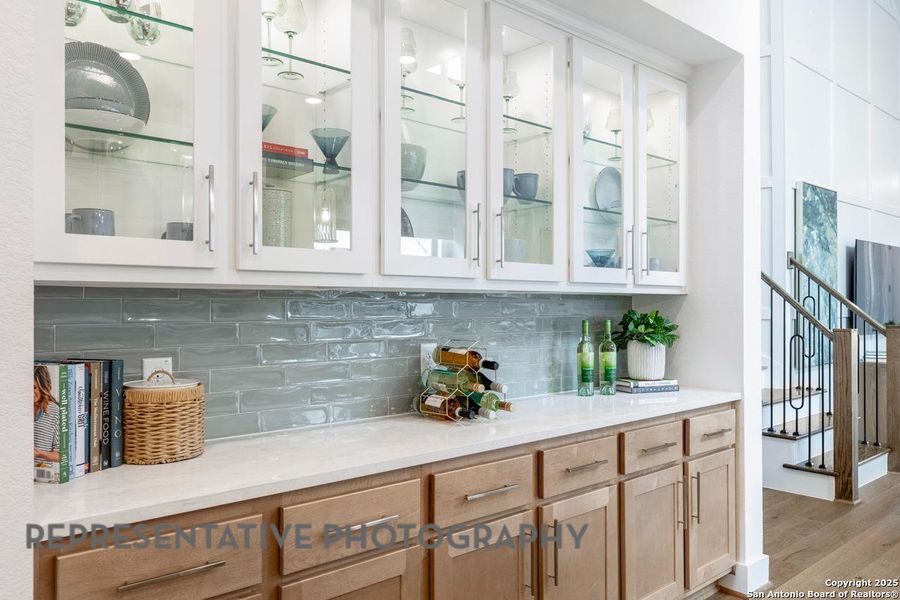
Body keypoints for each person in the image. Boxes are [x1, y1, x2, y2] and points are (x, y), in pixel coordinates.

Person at [33, 365, 59, 462]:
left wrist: (40, 454)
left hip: (41, 470)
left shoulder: (55, 411)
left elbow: (62, 455)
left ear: (43, 386)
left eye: (34, 387)